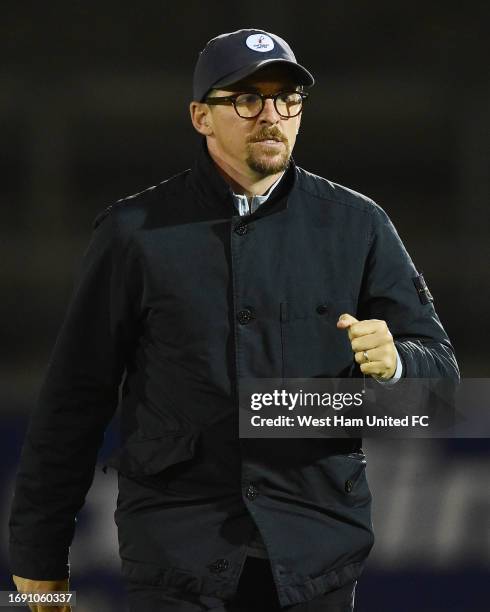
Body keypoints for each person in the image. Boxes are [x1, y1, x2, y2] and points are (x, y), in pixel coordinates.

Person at [9, 28, 459, 612]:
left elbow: (442, 392)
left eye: (287, 99)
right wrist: (36, 569)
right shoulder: (134, 232)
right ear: (201, 116)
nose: (271, 115)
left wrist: (399, 364)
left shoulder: (358, 225)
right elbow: (74, 400)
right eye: (248, 99)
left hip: (314, 555)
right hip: (178, 558)